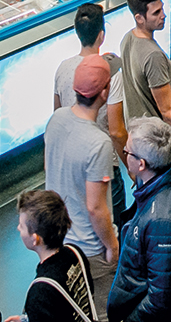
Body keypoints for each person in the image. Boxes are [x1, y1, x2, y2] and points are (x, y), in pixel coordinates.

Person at [108, 117, 171, 322]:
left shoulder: (162, 226)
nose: (124, 153)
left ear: (141, 164)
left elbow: (160, 300)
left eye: (127, 151)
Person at [43, 54, 120, 308]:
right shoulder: (99, 143)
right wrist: (111, 245)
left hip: (57, 241)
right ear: (104, 93)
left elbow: (50, 170)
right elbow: (95, 208)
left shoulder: (56, 120)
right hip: (89, 249)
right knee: (101, 311)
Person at [11, 190, 97, 322]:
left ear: (35, 239)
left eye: (22, 226)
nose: (18, 228)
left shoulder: (40, 293)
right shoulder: (74, 252)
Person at [119, 0, 171, 128]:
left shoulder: (127, 38)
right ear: (139, 18)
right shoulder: (154, 56)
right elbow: (167, 112)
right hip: (155, 135)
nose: (163, 15)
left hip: (136, 132)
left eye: (162, 9)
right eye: (156, 13)